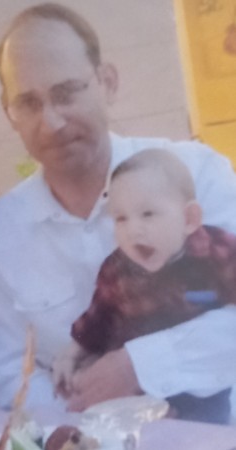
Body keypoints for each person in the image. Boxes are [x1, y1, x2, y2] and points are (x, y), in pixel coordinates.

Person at [0, 2, 236, 413]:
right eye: (28, 102)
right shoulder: (1, 230)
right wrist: (92, 423)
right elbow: (12, 373)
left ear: (107, 82)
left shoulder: (197, 174)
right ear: (8, 112)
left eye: (66, 92)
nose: (52, 122)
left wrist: (138, 366)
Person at [52, 149, 236, 423]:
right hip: (138, 398)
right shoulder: (116, 269)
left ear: (189, 219)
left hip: (203, 388)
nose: (133, 230)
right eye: (121, 218)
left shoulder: (216, 251)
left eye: (148, 214)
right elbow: (96, 321)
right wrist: (70, 355)